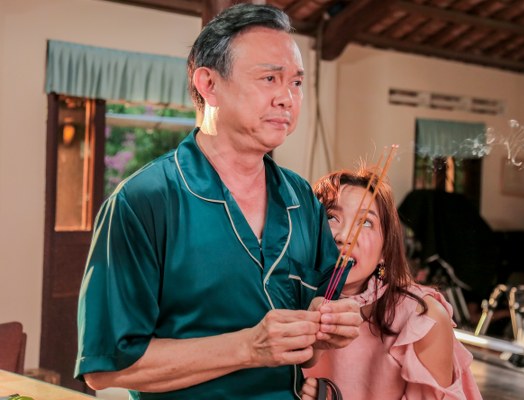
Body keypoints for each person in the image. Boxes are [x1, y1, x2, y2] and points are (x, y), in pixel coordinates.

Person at [74, 4, 361, 399]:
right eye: (269, 78)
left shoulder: (302, 200)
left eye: (296, 83)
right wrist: (248, 347)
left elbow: (309, 352)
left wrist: (328, 331)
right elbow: (105, 369)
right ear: (208, 84)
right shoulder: (142, 202)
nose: (287, 98)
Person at [301, 166, 482, 400]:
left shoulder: (423, 318)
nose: (344, 237)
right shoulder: (281, 300)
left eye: (366, 222)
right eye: (331, 217)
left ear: (385, 250)